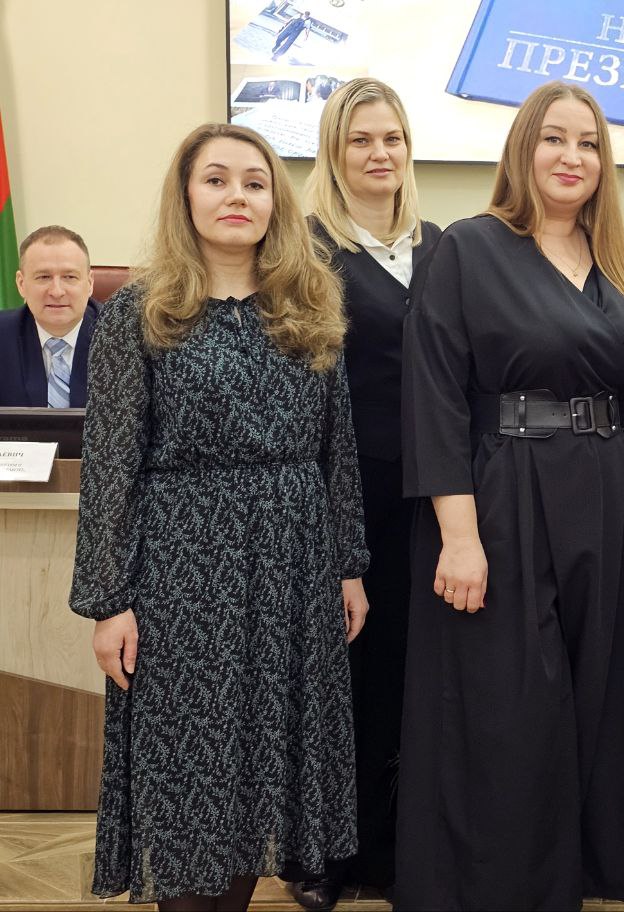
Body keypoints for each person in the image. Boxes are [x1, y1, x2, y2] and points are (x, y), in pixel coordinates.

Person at [68, 122, 370, 911]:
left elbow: (338, 450)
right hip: (180, 572)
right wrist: (108, 603)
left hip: (293, 563)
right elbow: (110, 466)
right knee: (187, 771)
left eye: (254, 182)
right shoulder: (140, 311)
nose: (237, 196)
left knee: (261, 776)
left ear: (276, 203)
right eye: (216, 179)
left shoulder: (311, 305)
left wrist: (349, 566)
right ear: (186, 196)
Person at [395, 81, 624, 910]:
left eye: (589, 143)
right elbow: (436, 397)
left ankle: (582, 876)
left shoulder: (619, 261)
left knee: (598, 697)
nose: (572, 156)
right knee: (513, 703)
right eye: (555, 138)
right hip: (505, 495)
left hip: (610, 498)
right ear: (523, 148)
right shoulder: (469, 248)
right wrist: (459, 537)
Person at [277, 78, 442, 912]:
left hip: (435, 493)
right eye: (361, 140)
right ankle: (324, 853)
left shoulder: (444, 247)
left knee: (411, 671)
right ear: (333, 154)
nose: (380, 154)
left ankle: (394, 843)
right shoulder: (303, 251)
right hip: (344, 490)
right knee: (339, 672)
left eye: (392, 138)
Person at [0, 225, 98, 408]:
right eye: (44, 277)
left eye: (69, 277)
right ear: (21, 284)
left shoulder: (122, 336)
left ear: (89, 283)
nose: (57, 291)